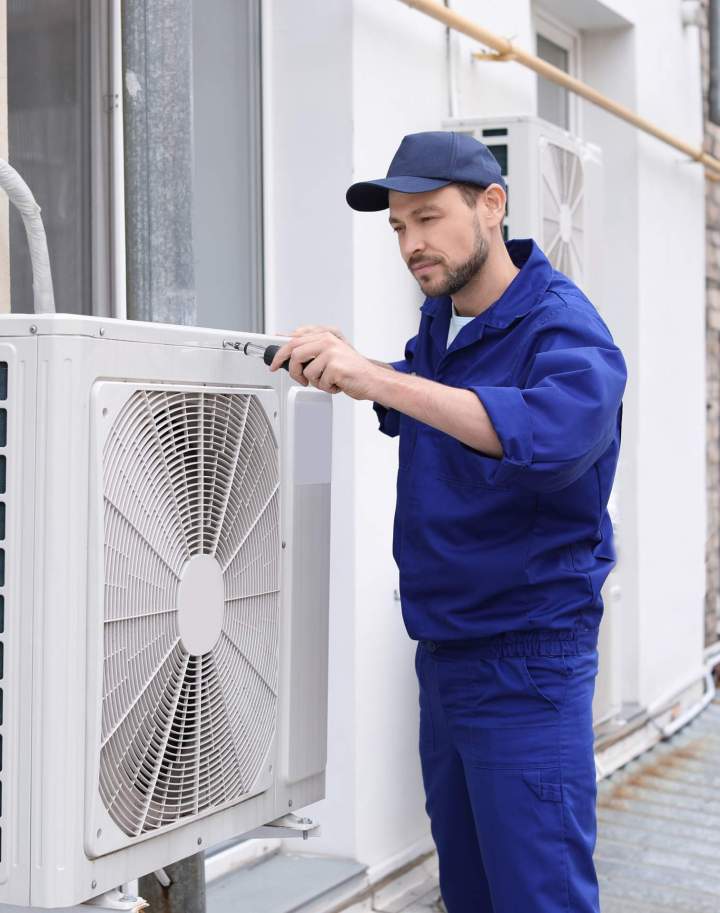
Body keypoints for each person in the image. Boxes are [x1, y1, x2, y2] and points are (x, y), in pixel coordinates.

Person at [269, 130, 627, 913]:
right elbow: (435, 401)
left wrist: (381, 383)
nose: (412, 244)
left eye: (428, 218)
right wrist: (358, 366)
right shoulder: (445, 319)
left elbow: (551, 434)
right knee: (467, 892)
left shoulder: (565, 328)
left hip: (527, 663)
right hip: (446, 654)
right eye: (399, 226)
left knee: (539, 897)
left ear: (491, 205)